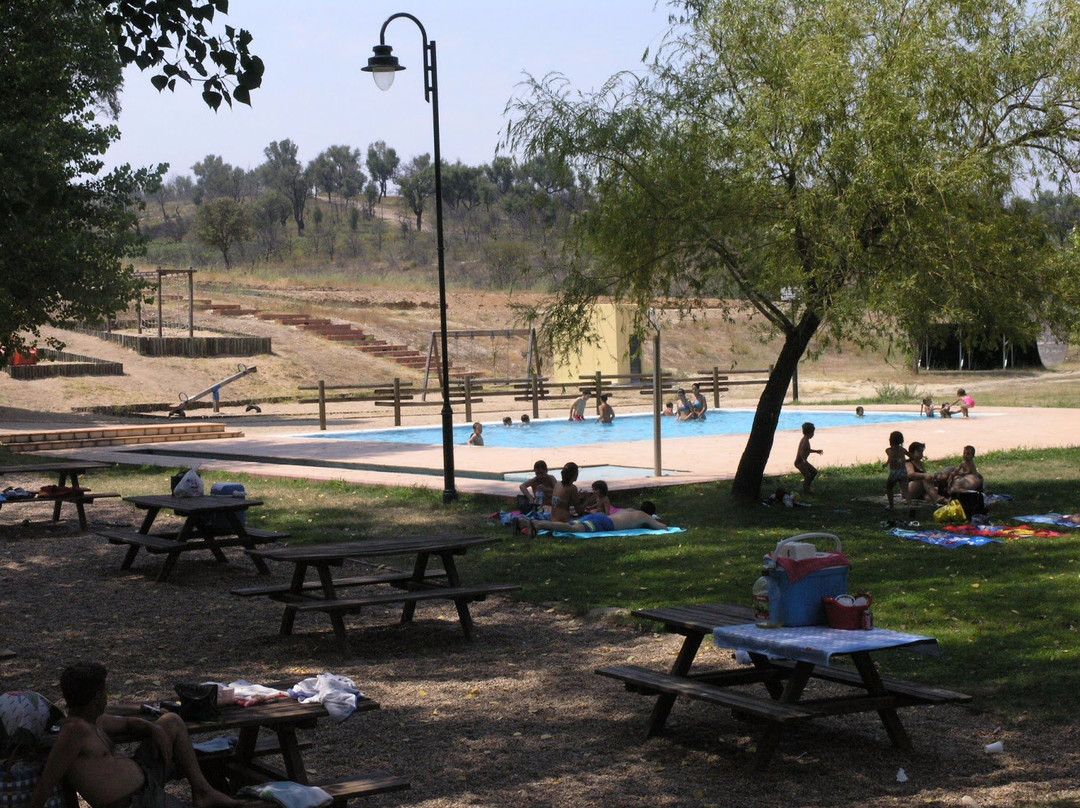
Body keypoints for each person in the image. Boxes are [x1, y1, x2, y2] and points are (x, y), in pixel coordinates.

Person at [31, 661, 240, 808]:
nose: (106, 696)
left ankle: (203, 791)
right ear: (96, 698)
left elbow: (129, 723)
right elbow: (46, 783)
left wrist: (153, 728)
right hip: (137, 801)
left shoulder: (95, 720)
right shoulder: (74, 732)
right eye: (105, 692)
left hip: (145, 775)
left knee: (171, 721)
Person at [515, 501, 667, 536]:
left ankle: (524, 522)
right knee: (573, 529)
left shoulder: (630, 510)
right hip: (603, 524)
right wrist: (652, 521)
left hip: (597, 517)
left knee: (571, 524)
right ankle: (539, 524)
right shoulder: (643, 517)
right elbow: (663, 528)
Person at [885, 430, 912, 513]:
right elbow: (911, 457)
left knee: (889, 488)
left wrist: (886, 464)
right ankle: (910, 506)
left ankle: (891, 506)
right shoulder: (903, 450)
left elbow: (891, 456)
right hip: (903, 472)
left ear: (891, 440)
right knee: (905, 490)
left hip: (894, 472)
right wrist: (906, 461)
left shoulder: (888, 450)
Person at [794, 422, 822, 495]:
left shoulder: (805, 439)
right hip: (800, 462)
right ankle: (806, 490)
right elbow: (802, 450)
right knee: (807, 475)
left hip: (802, 461)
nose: (813, 434)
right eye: (813, 432)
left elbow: (807, 450)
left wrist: (816, 451)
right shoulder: (805, 441)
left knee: (814, 472)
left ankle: (808, 487)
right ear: (810, 432)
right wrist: (804, 460)